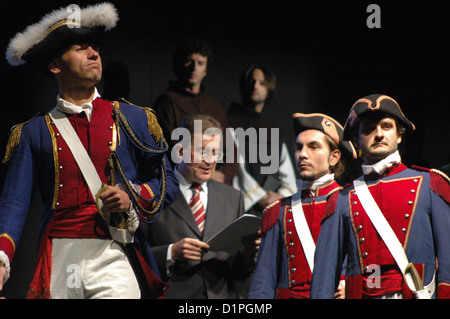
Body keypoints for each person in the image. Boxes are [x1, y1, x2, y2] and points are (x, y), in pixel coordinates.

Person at [0, 3, 179, 299]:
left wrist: (131, 194)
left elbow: (167, 181)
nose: (94, 53)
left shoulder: (133, 118)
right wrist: (3, 261)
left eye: (94, 47)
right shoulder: (33, 132)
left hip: (114, 252)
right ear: (55, 65)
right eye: (80, 48)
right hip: (60, 255)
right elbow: (13, 204)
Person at [310, 94, 450, 299]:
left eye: (386, 126)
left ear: (399, 135)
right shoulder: (341, 199)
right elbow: (324, 275)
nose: (378, 134)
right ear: (356, 140)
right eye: (368, 129)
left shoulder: (430, 184)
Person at [143, 114, 260, 299]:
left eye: (215, 152)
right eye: (202, 151)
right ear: (179, 151)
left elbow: (238, 273)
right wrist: (170, 253)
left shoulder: (232, 198)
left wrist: (247, 254)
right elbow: (133, 257)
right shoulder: (152, 194)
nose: (210, 160)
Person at [248, 112, 357, 299]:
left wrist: (355, 287)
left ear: (334, 157)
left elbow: (372, 265)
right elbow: (263, 282)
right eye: (299, 147)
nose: (303, 154)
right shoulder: (278, 211)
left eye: (314, 147)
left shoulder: (351, 202)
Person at [153, 37, 238, 185]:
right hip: (180, 182)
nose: (194, 68)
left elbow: (230, 150)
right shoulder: (166, 103)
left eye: (200, 63)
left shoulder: (213, 106)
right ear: (179, 65)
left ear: (205, 70)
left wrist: (221, 174)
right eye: (189, 61)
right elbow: (168, 148)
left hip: (213, 183)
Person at [227, 65, 297, 215]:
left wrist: (280, 197)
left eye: (262, 83)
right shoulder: (230, 123)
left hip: (271, 208)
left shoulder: (272, 129)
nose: (255, 86)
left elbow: (287, 174)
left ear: (268, 90)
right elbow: (235, 167)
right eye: (252, 81)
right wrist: (259, 196)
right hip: (241, 207)